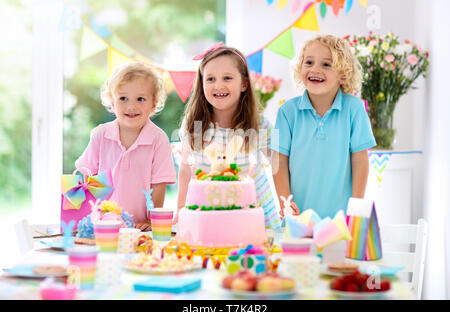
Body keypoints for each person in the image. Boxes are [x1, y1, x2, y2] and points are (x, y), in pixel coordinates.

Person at [175, 43, 281, 230]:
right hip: (206, 219)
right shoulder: (192, 126)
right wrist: (180, 209)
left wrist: (286, 204)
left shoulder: (260, 124)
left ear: (244, 84)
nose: (218, 85)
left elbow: (279, 164)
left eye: (227, 78)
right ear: (201, 83)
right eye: (210, 79)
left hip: (256, 219)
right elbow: (185, 169)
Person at [272, 34, 376, 219]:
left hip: (342, 219)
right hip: (298, 217)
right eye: (309, 62)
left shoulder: (355, 109)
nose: (315, 69)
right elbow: (278, 161)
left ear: (343, 75)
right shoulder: (286, 112)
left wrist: (356, 207)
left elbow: (360, 160)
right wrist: (285, 203)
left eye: (326, 64)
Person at [75, 62, 176, 231]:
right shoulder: (100, 134)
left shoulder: (158, 140)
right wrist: (95, 213)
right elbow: (88, 174)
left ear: (153, 104)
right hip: (105, 223)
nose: (131, 106)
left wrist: (151, 221)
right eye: (123, 98)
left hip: (139, 226)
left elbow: (159, 185)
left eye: (140, 99)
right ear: (112, 102)